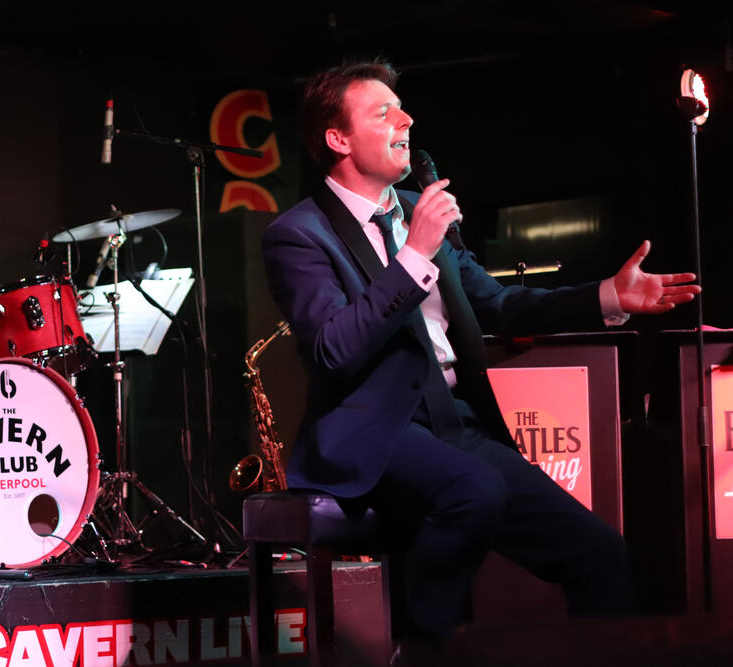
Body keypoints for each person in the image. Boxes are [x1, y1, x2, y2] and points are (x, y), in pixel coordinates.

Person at [261, 60, 700, 663]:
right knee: (477, 491)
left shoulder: (420, 211)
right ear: (338, 139)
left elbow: (500, 305)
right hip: (376, 432)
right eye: (382, 111)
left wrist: (608, 297)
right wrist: (415, 253)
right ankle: (421, 648)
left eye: (403, 107)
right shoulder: (300, 233)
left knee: (601, 553)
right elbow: (331, 347)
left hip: (456, 424)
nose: (406, 119)